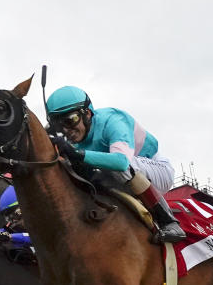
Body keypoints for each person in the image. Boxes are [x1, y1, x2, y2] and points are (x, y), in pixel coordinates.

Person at [45, 85, 186, 243]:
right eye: (58, 125)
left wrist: (76, 153)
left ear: (88, 114)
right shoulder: (71, 132)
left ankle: (169, 222)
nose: (66, 130)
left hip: (158, 171)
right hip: (123, 180)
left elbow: (121, 162)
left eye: (70, 120)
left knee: (119, 167)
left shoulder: (113, 120)